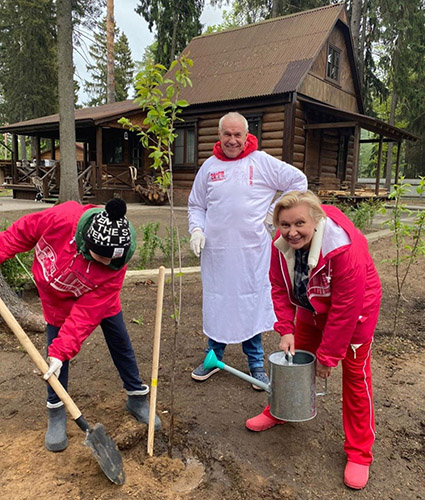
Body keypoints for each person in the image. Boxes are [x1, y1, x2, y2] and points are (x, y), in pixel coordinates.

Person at [245, 190, 381, 490]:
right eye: (284, 225)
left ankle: (359, 452)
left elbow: (346, 308)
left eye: (299, 224)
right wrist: (286, 329)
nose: (292, 232)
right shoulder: (279, 247)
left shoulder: (343, 249)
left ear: (316, 220)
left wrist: (329, 356)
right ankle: (280, 410)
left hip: (356, 312)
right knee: (296, 361)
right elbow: (279, 288)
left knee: (356, 379)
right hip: (311, 305)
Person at [0, 198, 161, 452]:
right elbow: (21, 233)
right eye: (102, 257)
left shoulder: (114, 266)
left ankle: (137, 397)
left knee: (120, 342)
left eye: (113, 260)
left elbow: (86, 314)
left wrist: (64, 350)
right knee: (55, 357)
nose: (107, 265)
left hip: (97, 299)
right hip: (55, 298)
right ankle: (56, 410)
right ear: (87, 242)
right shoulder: (63, 218)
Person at [188, 112, 308, 388]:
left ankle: (256, 364)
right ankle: (213, 356)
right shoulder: (209, 167)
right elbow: (196, 205)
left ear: (246, 135)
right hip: (217, 253)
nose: (232, 140)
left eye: (237, 135)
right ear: (219, 136)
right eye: (227, 134)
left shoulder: (261, 162)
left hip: (252, 252)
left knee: (249, 303)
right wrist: (197, 230)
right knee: (218, 302)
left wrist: (272, 215)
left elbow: (298, 182)